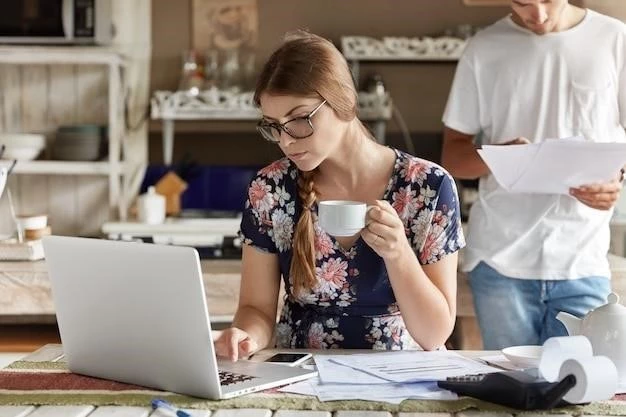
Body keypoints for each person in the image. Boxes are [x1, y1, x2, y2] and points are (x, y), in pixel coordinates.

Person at [214, 31, 465, 360]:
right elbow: (255, 309)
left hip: (400, 379)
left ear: (343, 101)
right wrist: (245, 336)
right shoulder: (270, 188)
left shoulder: (428, 187)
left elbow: (434, 335)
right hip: (298, 375)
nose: (286, 141)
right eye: (274, 125)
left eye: (300, 120)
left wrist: (399, 252)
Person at [441, 0, 626, 350]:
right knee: (510, 399)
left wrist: (617, 179)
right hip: (499, 261)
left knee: (578, 396)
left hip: (583, 260)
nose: (537, 16)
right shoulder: (484, 47)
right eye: (523, 3)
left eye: (548, 1)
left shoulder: (615, 39)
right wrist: (500, 157)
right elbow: (453, 156)